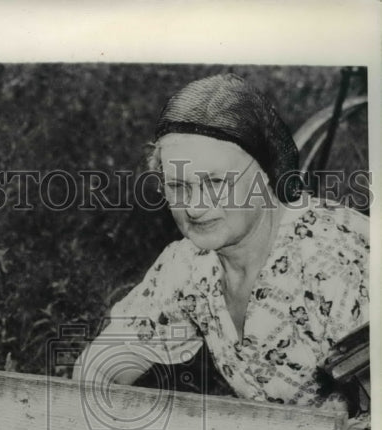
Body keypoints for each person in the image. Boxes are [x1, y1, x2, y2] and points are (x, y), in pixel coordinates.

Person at [73, 73, 369, 408]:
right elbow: (98, 371)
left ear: (267, 176)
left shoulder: (333, 259)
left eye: (216, 182)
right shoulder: (189, 265)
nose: (196, 207)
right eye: (177, 186)